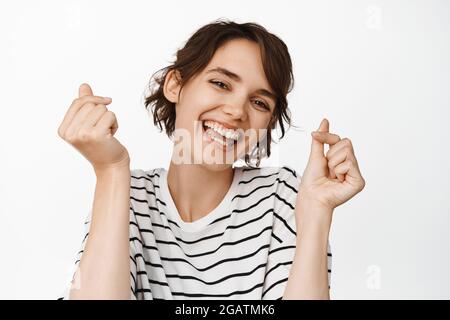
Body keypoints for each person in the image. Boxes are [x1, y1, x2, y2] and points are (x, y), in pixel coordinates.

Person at [57, 20, 365, 300]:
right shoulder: (128, 195)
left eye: (259, 102)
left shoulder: (286, 196)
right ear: (175, 85)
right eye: (221, 83)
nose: (236, 110)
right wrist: (111, 171)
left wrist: (316, 213)